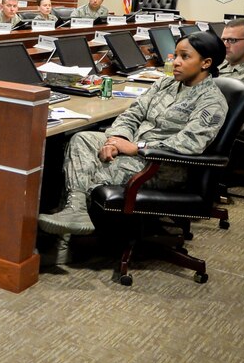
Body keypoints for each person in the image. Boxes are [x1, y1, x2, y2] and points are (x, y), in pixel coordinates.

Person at [38, 32, 229, 255]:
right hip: (133, 148)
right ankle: (76, 211)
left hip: (162, 165)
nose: (175, 62)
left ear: (206, 63)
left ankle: (64, 245)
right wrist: (116, 140)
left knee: (100, 165)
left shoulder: (212, 101)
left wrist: (137, 147)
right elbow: (133, 114)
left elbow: (189, 144)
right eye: (175, 54)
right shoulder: (166, 83)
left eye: (184, 57)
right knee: (82, 139)